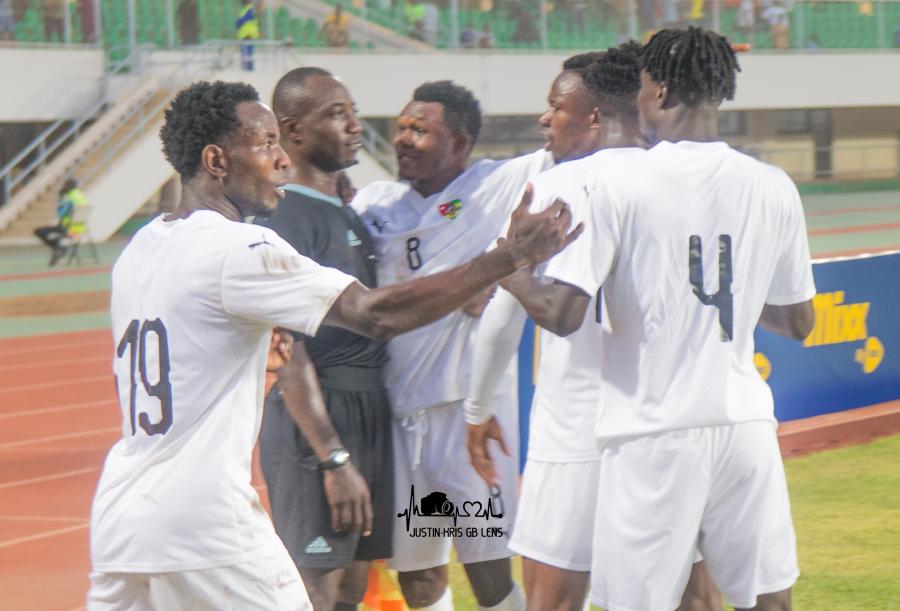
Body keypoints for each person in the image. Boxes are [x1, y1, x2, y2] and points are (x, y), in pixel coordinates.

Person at [87, 80, 577, 610]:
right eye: (266, 144)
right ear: (216, 160)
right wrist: (506, 258)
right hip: (203, 521)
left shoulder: (141, 249)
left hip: (120, 516)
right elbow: (374, 314)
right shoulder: (236, 248)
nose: (280, 160)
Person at [502, 27, 815, 611]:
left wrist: (509, 268)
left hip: (653, 432)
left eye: (644, 88)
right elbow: (798, 321)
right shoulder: (774, 185)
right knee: (768, 599)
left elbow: (564, 314)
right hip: (745, 425)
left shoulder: (612, 183)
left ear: (662, 93)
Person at [464, 43, 722, 611]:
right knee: (689, 591)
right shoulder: (689, 184)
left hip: (577, 428)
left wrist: (477, 413)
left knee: (555, 598)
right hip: (669, 422)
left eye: (555, 107)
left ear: (596, 116)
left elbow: (503, 318)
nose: (544, 118)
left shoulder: (561, 188)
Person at [350, 82, 555, 611]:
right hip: (402, 418)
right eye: (401, 127)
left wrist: (509, 270)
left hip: (466, 417)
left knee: (486, 569)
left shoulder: (500, 183)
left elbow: (588, 155)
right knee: (418, 577)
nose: (403, 139)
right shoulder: (375, 203)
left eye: (421, 130)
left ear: (460, 143)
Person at [257, 67, 385, 611]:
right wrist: (333, 458)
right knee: (315, 589)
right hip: (318, 419)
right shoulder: (286, 216)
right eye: (336, 113)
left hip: (369, 409)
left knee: (353, 587)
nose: (355, 125)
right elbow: (287, 349)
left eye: (352, 110)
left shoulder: (343, 207)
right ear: (293, 131)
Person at [34, 178, 87, 266]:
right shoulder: (81, 195)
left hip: (69, 229)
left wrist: (60, 197)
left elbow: (61, 213)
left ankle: (58, 248)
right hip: (81, 228)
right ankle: (58, 248)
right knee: (54, 232)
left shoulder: (70, 198)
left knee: (39, 231)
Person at [236, 0, 259, 70]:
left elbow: (242, 21)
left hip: (247, 34)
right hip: (245, 35)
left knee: (247, 53)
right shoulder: (246, 10)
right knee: (247, 53)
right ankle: (248, 68)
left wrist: (238, 23)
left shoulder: (248, 10)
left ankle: (249, 68)